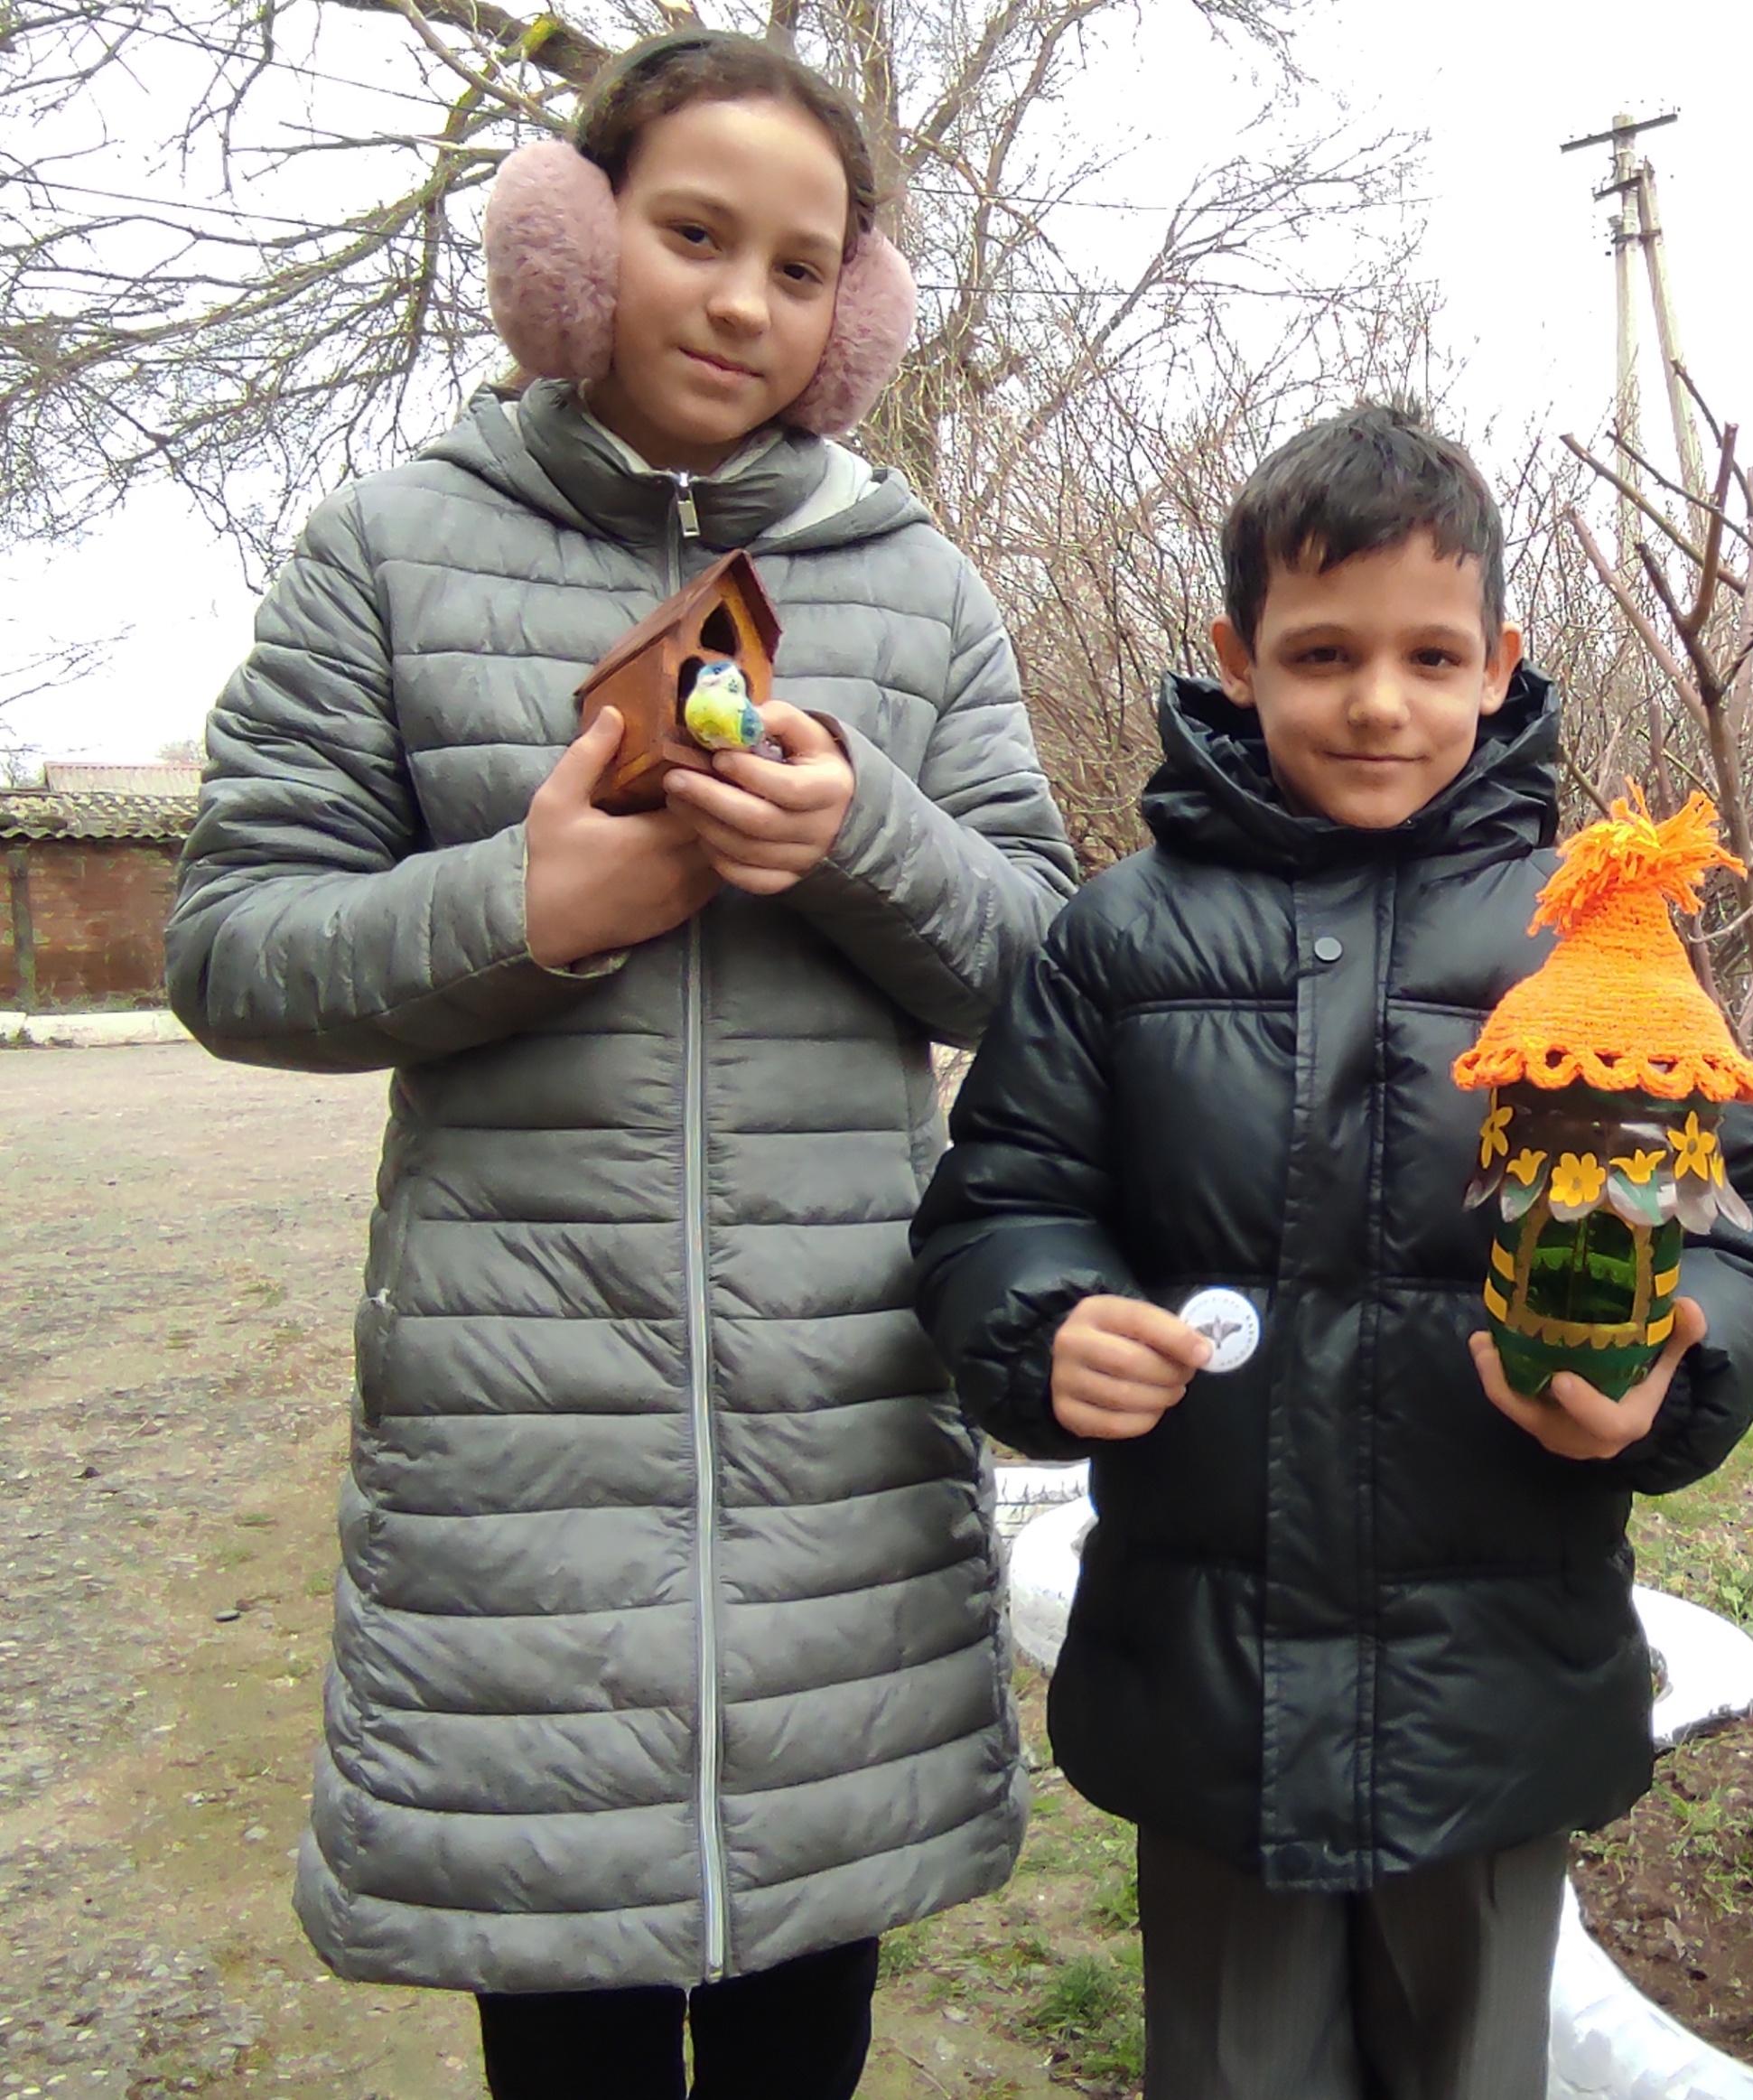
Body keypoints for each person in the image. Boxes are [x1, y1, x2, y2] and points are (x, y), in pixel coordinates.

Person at [164, 29, 1075, 2098]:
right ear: (571, 244)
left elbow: (1048, 963)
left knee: (798, 2034)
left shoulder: (916, 584)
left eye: (796, 262)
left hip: (836, 1431)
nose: (740, 299)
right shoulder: (391, 549)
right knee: (559, 2028)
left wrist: (866, 843)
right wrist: (523, 904)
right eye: (691, 234)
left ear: (851, 313)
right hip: (519, 1454)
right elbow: (230, 947)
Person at [910, 400, 1753, 2100]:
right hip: (1214, 1675)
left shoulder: (1595, 943)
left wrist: (1675, 1369)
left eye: (1425, 653)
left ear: (1498, 660)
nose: (1378, 701)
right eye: (1322, 653)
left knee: (1472, 2065)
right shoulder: (1122, 936)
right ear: (1239, 657)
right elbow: (1001, 1201)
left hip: (1496, 1672)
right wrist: (1047, 1325)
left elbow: (1739, 1230)